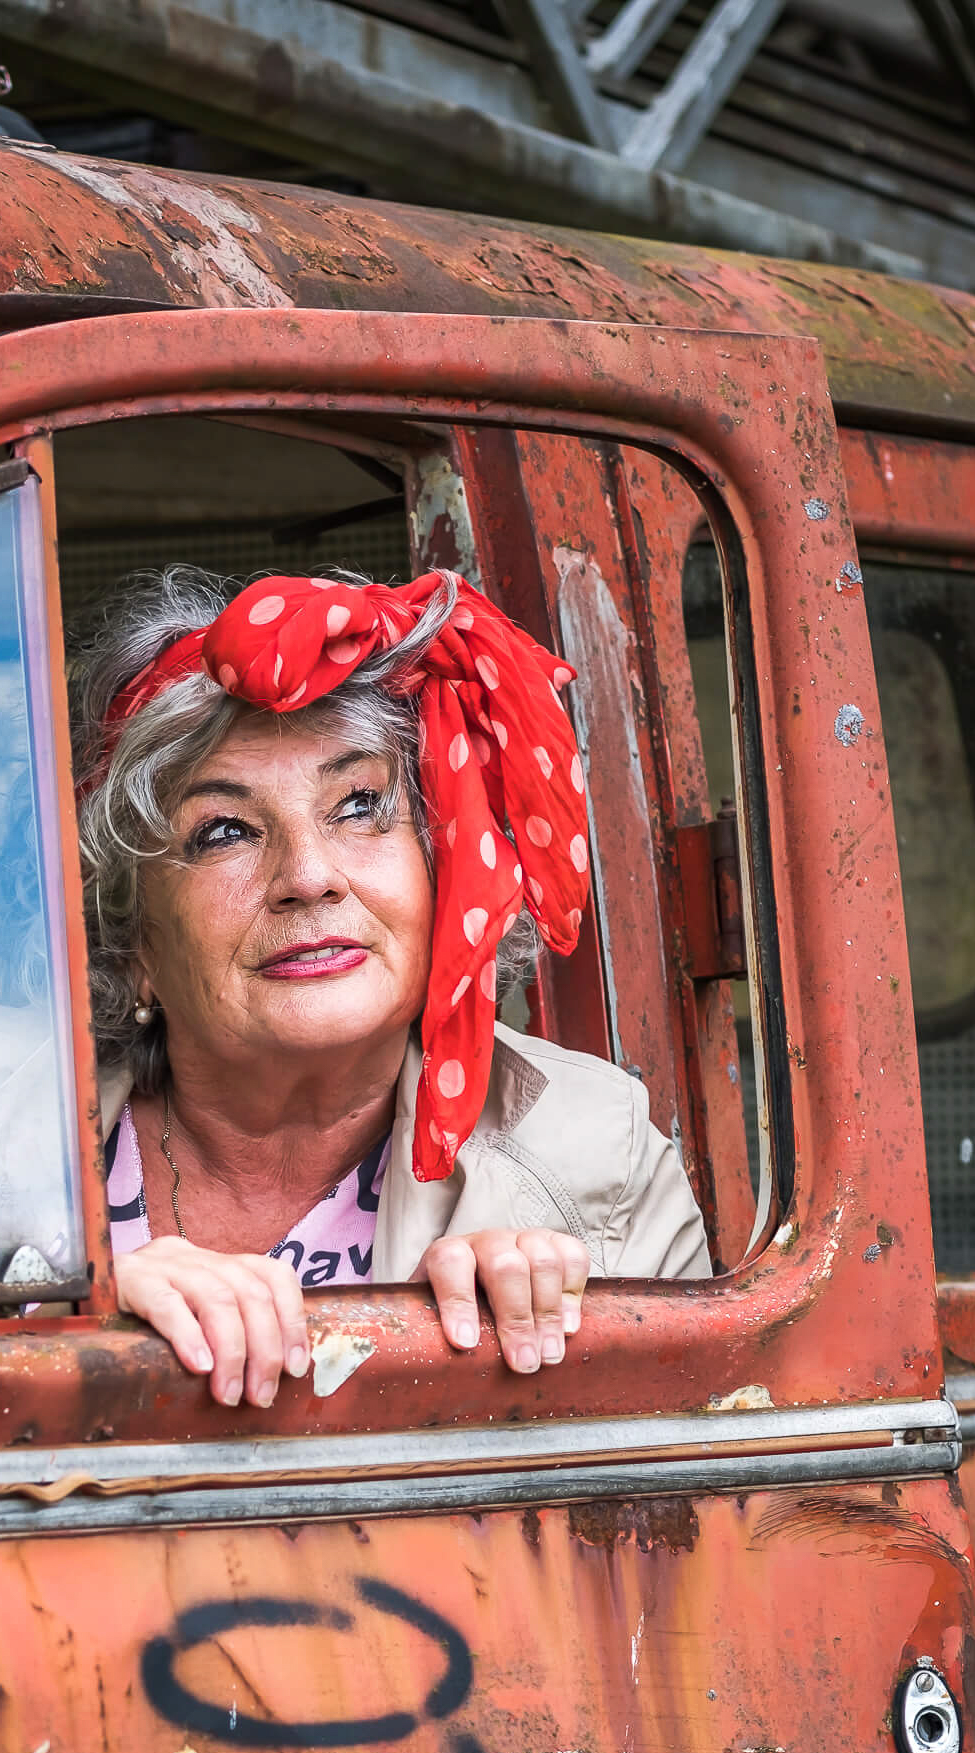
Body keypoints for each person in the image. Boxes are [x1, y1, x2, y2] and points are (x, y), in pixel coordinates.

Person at [76, 566, 709, 1411]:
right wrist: (69, 1327)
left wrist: (532, 1369)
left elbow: (684, 1512)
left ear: (443, 870)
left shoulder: (600, 1154)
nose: (308, 877)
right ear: (132, 935)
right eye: (224, 830)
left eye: (361, 806)